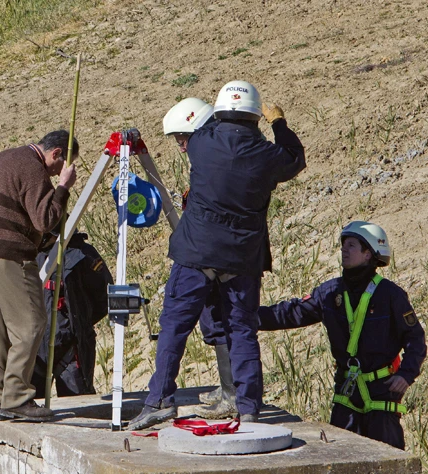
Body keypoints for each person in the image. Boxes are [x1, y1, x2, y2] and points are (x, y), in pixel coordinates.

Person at [128, 80, 306, 430]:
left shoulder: (200, 144)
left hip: (196, 251)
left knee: (175, 327)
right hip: (242, 257)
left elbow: (198, 122)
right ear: (256, 116)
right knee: (242, 330)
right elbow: (296, 159)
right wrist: (279, 123)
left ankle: (160, 400)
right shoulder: (268, 156)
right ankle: (248, 405)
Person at [258, 222, 425, 449]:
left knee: (387, 457)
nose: (344, 250)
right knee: (341, 454)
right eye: (343, 244)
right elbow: (293, 313)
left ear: (369, 254)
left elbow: (415, 338)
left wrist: (406, 375)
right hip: (346, 389)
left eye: (352, 245)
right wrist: (248, 318)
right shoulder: (330, 293)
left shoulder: (390, 295)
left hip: (381, 390)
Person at [0, 130, 79, 422]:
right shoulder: (32, 167)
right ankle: (16, 396)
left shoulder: (3, 157)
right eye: (60, 166)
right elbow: (46, 219)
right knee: (30, 322)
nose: (55, 174)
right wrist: (63, 188)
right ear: (56, 155)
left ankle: (1, 398)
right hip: (10, 253)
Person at [163, 98, 235, 418]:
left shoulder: (218, 161)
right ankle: (229, 387)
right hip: (215, 255)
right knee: (215, 322)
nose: (181, 148)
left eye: (183, 140)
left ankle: (233, 394)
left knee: (219, 322)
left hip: (213, 258)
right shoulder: (213, 159)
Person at [31, 230, 113, 397]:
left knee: (79, 405)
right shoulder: (28, 256)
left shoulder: (82, 255)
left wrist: (80, 322)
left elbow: (104, 298)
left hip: (72, 346)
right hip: (34, 348)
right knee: (28, 408)